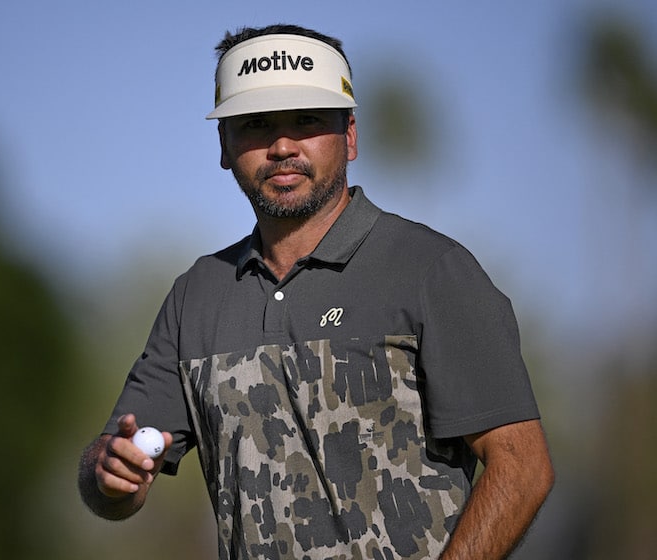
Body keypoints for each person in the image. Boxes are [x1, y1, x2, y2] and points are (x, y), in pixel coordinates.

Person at [78, 23, 554, 560]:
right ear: (223, 145)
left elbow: (522, 465)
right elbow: (111, 479)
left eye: (306, 120)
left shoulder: (433, 270)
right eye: (256, 125)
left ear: (349, 134)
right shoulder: (196, 295)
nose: (282, 146)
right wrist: (109, 475)